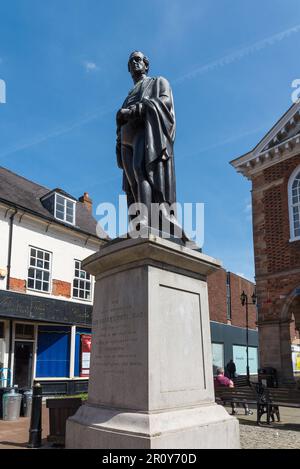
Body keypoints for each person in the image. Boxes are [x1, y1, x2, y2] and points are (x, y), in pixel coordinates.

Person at [116, 51, 184, 237]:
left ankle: (145, 219)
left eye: (138, 59)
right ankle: (136, 221)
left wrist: (136, 110)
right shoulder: (129, 93)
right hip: (125, 139)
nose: (135, 62)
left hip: (145, 132)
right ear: (129, 68)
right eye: (131, 61)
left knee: (141, 170)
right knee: (131, 184)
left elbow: (165, 101)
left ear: (146, 65)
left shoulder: (158, 81)